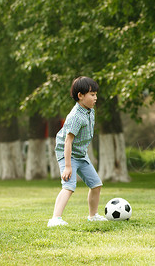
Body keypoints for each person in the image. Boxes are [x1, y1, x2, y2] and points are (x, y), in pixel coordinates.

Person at [48, 76, 107, 227]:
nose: (95, 98)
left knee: (96, 185)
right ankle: (55, 219)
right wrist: (68, 166)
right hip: (67, 154)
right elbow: (68, 141)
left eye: (95, 94)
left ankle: (93, 216)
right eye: (92, 94)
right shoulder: (75, 116)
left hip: (81, 154)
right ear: (80, 96)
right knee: (68, 186)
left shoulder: (89, 111)